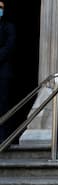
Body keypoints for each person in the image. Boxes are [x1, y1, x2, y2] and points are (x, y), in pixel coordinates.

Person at [0, 0, 15, 144]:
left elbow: (9, 46)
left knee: (2, 105)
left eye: (1, 8)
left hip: (3, 73)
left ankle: (4, 138)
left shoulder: (8, 27)